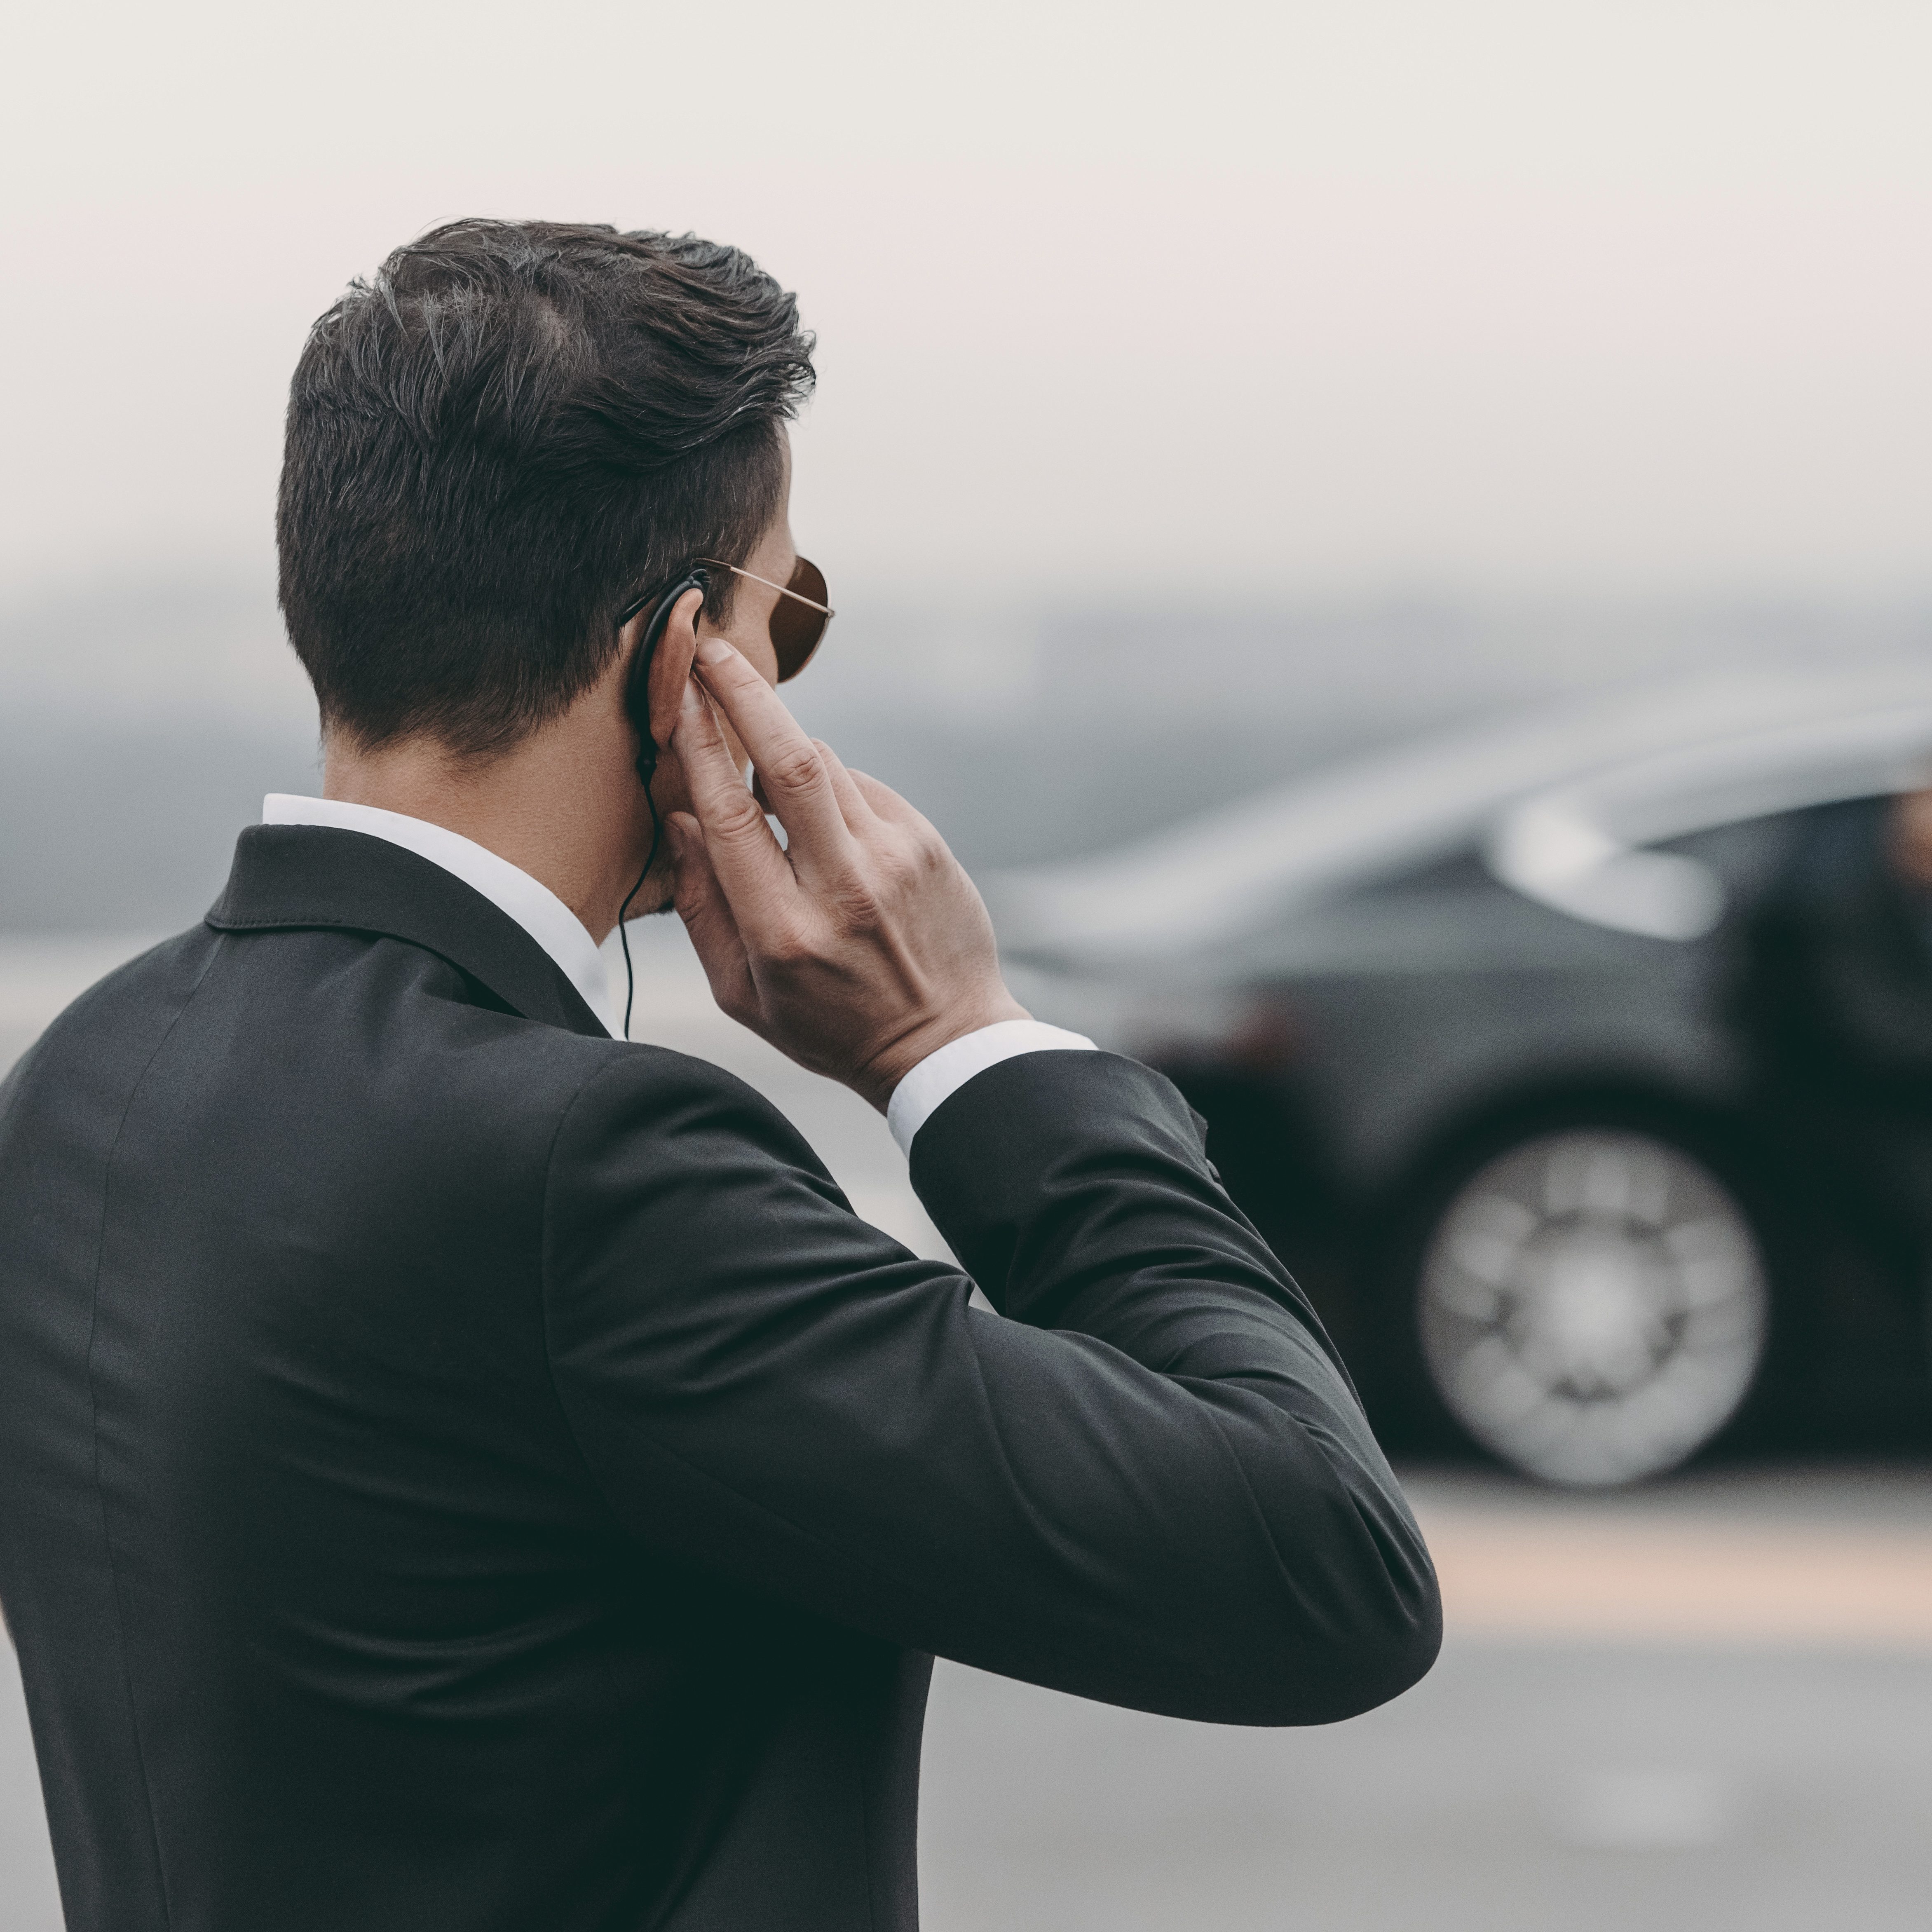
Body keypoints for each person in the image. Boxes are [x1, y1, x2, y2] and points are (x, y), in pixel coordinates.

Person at [0, 219, 1438, 1932]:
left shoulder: (83, 1082)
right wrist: (954, 1044)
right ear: (687, 661)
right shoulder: (586, 1171)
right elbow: (1317, 1567)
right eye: (789, 617)